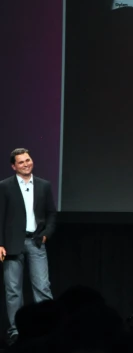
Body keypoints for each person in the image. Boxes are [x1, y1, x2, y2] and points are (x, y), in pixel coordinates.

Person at [0, 148, 57, 345]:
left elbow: (51, 213)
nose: (26, 164)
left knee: (42, 286)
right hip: (11, 244)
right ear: (13, 166)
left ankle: (48, 327)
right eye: (21, 162)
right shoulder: (5, 186)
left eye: (28, 160)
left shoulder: (43, 185)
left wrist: (46, 235)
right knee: (13, 290)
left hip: (36, 242)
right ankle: (16, 330)